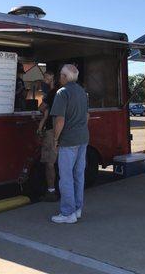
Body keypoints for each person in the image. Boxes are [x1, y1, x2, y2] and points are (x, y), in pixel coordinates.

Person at [50, 64, 89, 224]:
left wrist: (55, 139)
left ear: (65, 77)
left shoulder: (62, 92)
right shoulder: (82, 92)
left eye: (61, 75)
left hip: (68, 140)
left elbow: (59, 119)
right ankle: (77, 209)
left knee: (65, 177)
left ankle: (67, 213)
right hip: (83, 138)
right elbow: (87, 116)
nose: (59, 77)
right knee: (78, 175)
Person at [37, 70, 58, 202]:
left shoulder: (52, 93)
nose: (44, 78)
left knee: (49, 163)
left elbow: (41, 109)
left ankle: (51, 192)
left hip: (52, 130)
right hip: (63, 131)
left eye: (46, 76)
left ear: (53, 78)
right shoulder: (61, 92)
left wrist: (40, 127)